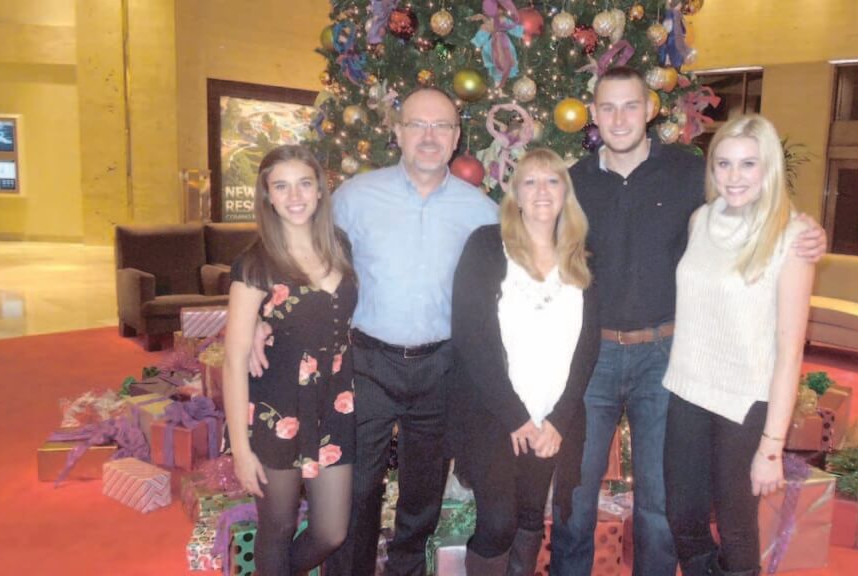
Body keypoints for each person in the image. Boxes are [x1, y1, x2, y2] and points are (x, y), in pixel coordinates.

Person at [548, 66, 826, 576]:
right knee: (576, 496)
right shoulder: (572, 182)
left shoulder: (688, 172)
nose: (619, 117)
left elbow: (754, 212)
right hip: (592, 359)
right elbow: (535, 249)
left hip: (665, 360)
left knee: (663, 505)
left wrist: (805, 230)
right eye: (607, 107)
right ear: (592, 114)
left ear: (651, 108)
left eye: (630, 105)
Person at [251, 87, 498, 576]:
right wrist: (260, 312)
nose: (429, 136)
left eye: (442, 126)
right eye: (417, 125)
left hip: (442, 366)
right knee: (356, 488)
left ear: (457, 137)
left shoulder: (482, 212)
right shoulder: (356, 197)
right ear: (398, 132)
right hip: (364, 362)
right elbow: (297, 248)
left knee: (423, 491)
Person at [662, 114, 815, 576]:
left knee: (736, 527)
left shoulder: (792, 238)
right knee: (682, 517)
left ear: (768, 169)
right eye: (723, 164)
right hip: (687, 388)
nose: (733, 177)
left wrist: (772, 447)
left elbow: (790, 352)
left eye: (748, 164)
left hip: (745, 401)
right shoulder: (700, 220)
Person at [451, 148, 600, 575]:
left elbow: (587, 346)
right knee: (498, 522)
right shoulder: (486, 245)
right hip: (495, 413)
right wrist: (516, 416)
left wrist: (560, 419)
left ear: (565, 193)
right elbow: (471, 335)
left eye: (552, 181)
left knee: (533, 514)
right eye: (530, 181)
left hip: (553, 416)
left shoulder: (581, 255)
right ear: (514, 193)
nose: (540, 190)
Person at [224, 144, 356, 576]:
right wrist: (241, 450)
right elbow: (234, 359)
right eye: (281, 187)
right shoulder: (255, 264)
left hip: (335, 404)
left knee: (331, 531)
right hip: (275, 407)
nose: (294, 196)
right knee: (277, 527)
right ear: (268, 197)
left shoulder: (340, 246)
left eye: (303, 183)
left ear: (320, 191)